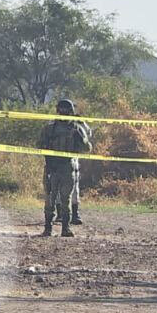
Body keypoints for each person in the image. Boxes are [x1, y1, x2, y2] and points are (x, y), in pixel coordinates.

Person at [37, 99, 92, 237]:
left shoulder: (74, 129)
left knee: (58, 199)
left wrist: (81, 139)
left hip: (63, 167)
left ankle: (57, 228)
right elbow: (39, 145)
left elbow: (87, 148)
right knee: (56, 198)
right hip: (56, 167)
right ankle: (56, 228)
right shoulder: (51, 128)